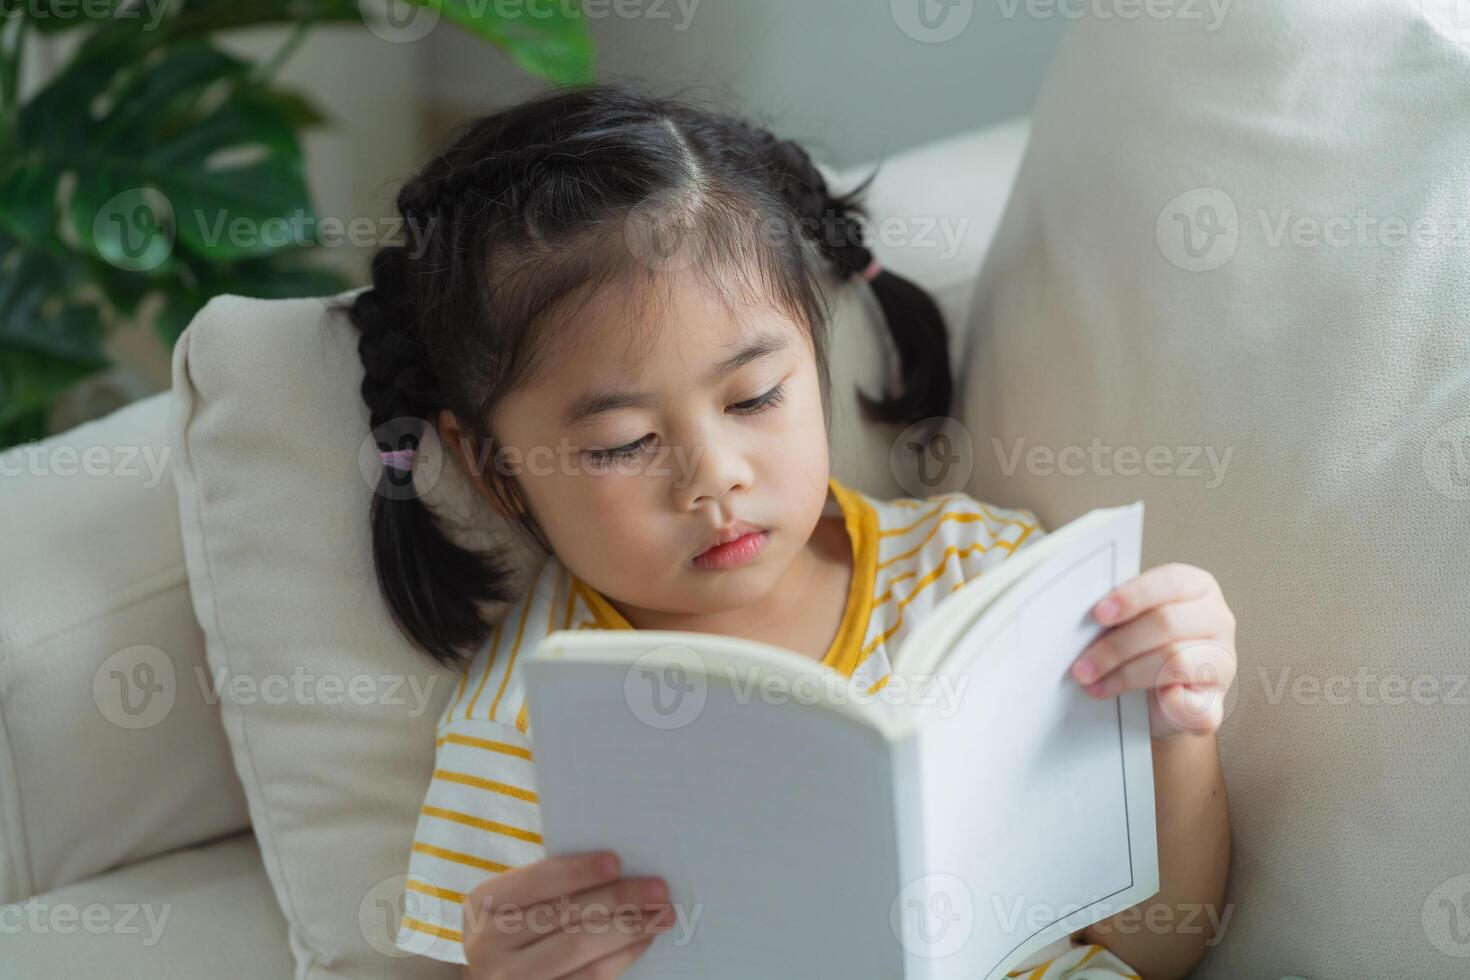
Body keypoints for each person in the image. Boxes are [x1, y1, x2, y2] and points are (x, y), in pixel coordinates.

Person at [334, 82, 1235, 980]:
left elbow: (1157, 944)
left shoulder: (981, 579)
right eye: (623, 444)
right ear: (496, 470)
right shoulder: (523, 731)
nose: (714, 475)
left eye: (756, 397)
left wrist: (1174, 730)